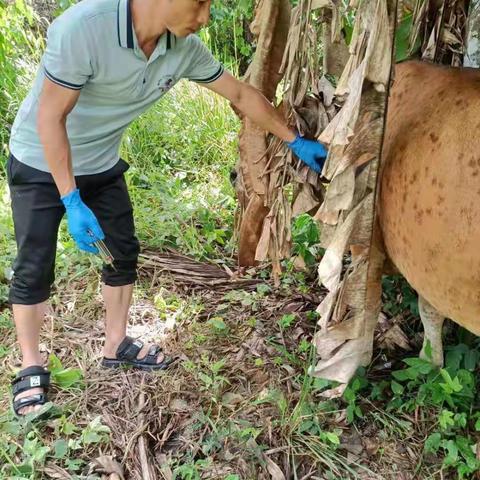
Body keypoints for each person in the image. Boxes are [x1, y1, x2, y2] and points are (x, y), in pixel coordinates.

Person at [7, 0, 328, 417]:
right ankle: (31, 366)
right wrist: (70, 199)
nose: (206, 16)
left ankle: (116, 344)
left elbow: (240, 93)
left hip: (101, 162)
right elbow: (51, 117)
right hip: (39, 158)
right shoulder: (82, 28)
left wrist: (292, 139)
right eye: (199, 3)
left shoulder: (182, 48)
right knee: (35, 266)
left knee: (122, 253)